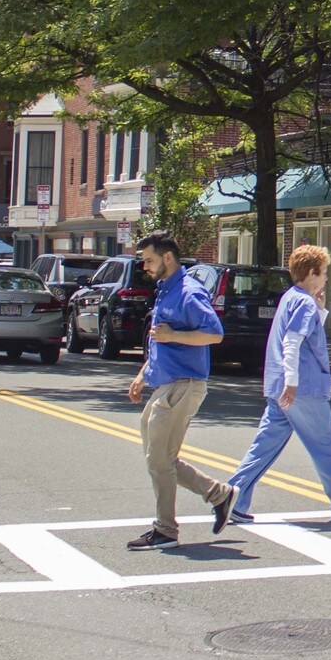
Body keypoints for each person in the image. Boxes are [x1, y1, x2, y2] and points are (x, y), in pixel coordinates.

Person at [222, 243, 331, 524]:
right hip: (302, 388)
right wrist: (292, 383)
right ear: (313, 272)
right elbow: (293, 342)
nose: (327, 278)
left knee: (265, 446)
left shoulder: (292, 297)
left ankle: (233, 495)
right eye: (325, 272)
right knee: (326, 445)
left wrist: (321, 309)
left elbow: (297, 335)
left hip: (279, 386)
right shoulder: (303, 302)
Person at [127, 231, 236, 550]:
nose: (145, 267)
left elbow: (214, 334)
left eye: (149, 260)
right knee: (160, 458)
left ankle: (165, 530)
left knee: (159, 459)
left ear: (168, 258)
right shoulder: (166, 289)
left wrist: (174, 334)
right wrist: (142, 373)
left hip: (184, 385)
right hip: (165, 384)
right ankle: (220, 494)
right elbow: (160, 339)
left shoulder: (188, 292)